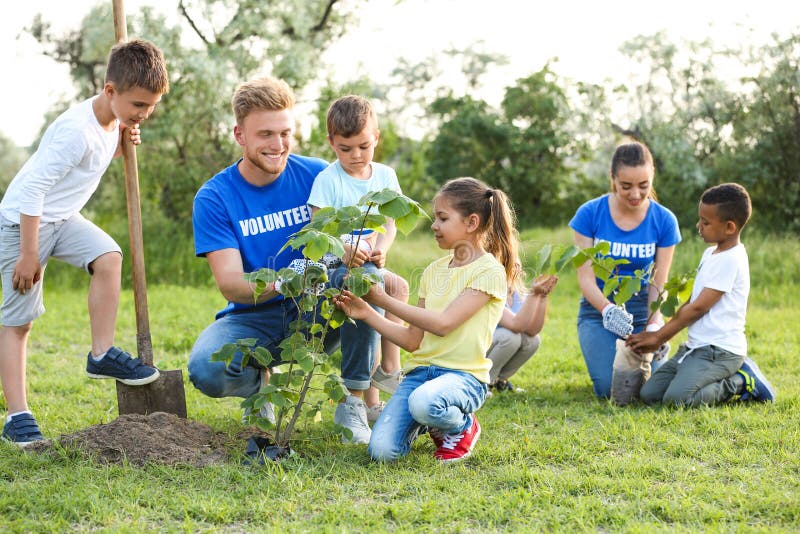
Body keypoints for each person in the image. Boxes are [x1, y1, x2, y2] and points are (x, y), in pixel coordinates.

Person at [189, 77, 385, 444]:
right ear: (239, 135)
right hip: (255, 315)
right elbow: (231, 283)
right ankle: (260, 386)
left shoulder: (319, 175)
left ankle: (354, 404)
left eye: (285, 133)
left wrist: (368, 248)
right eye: (265, 134)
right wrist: (290, 280)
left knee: (366, 277)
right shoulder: (215, 197)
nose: (278, 145)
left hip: (321, 312)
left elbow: (367, 230)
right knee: (207, 368)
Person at [0, 40, 169, 446]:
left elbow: (92, 157)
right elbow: (34, 189)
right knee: (19, 322)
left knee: (108, 257)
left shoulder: (111, 121)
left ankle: (100, 355)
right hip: (24, 224)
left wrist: (123, 138)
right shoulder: (75, 131)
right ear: (110, 91)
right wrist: (27, 253)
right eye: (138, 106)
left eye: (150, 106)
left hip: (63, 218)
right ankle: (17, 415)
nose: (144, 113)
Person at [335, 177, 517, 463]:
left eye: (443, 218)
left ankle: (461, 425)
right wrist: (366, 312)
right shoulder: (433, 271)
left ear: (471, 223)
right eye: (435, 217)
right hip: (421, 376)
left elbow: (443, 324)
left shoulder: (488, 271)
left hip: (463, 378)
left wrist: (382, 299)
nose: (434, 225)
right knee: (382, 452)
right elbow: (412, 340)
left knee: (424, 402)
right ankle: (426, 419)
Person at [307, 95, 410, 426]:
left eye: (364, 147)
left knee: (397, 285)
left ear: (376, 137)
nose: (356, 156)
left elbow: (390, 223)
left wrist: (383, 247)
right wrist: (342, 249)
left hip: (368, 266)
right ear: (331, 143)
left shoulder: (384, 176)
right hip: (332, 269)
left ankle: (388, 370)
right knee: (368, 282)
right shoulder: (328, 180)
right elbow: (317, 231)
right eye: (345, 148)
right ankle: (355, 400)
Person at [626, 183, 776, 406]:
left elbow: (698, 308)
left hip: (720, 351)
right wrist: (664, 332)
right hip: (695, 348)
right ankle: (696, 370)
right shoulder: (710, 253)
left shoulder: (731, 259)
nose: (699, 226)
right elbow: (692, 301)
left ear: (729, 227)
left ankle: (741, 381)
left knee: (677, 400)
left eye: (705, 222)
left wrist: (658, 338)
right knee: (650, 394)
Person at [569, 141, 681, 399]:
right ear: (613, 179)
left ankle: (661, 356)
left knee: (652, 391)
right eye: (626, 186)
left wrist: (654, 326)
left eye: (644, 185)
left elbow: (659, 281)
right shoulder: (590, 214)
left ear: (652, 177)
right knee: (610, 390)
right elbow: (585, 278)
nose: (635, 194)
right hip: (598, 311)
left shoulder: (664, 220)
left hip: (642, 310)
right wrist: (607, 309)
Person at [487, 261, 558, 393]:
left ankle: (500, 381)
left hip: (498, 342)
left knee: (533, 340)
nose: (516, 265)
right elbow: (515, 325)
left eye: (517, 263)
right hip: (479, 347)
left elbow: (532, 331)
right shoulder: (490, 293)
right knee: (510, 337)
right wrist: (533, 294)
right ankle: (483, 383)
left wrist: (541, 296)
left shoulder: (519, 294)